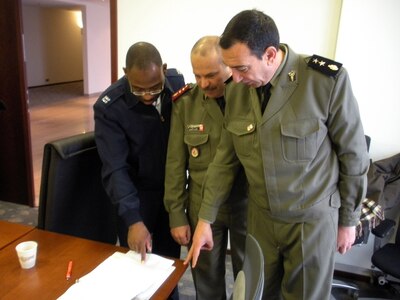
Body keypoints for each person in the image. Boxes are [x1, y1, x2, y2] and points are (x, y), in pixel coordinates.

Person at [185, 10, 370, 300]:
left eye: (242, 68)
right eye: (230, 68)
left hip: (310, 221)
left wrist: (349, 219)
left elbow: (354, 155)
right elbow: (224, 161)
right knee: (258, 294)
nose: (232, 77)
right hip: (261, 222)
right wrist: (205, 220)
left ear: (270, 55)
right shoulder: (237, 92)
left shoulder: (323, 82)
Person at [94, 42, 184, 299]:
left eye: (154, 87)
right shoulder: (109, 107)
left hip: (170, 192)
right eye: (138, 89)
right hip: (134, 195)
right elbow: (115, 168)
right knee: (139, 265)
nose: (147, 95)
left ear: (164, 70)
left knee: (168, 265)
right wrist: (133, 219)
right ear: (124, 72)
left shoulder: (176, 84)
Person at [164, 36, 248, 300]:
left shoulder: (250, 96)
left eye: (211, 75)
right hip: (202, 204)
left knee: (249, 275)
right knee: (207, 279)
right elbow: (175, 164)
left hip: (247, 203)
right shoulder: (186, 103)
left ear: (229, 66)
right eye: (197, 75)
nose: (203, 83)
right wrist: (176, 214)